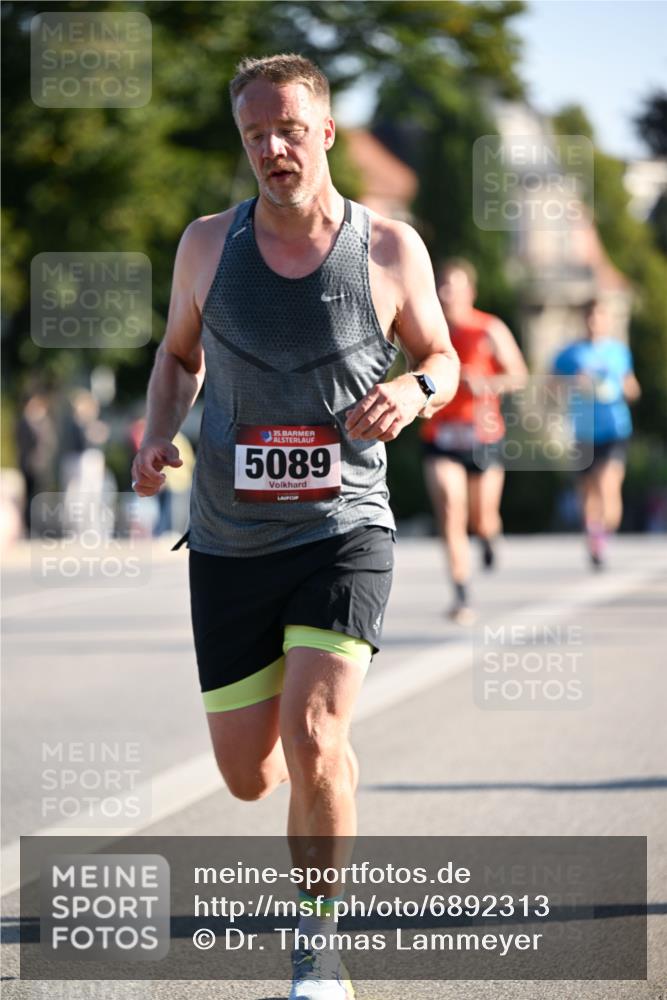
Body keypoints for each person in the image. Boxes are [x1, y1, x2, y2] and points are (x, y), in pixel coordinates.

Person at [131, 54, 459, 1000]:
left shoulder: (389, 248)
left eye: (288, 130)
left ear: (324, 132)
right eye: (255, 135)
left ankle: (318, 944)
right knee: (249, 775)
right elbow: (178, 358)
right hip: (229, 540)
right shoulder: (207, 245)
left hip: (343, 529)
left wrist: (415, 388)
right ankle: (314, 773)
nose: (273, 148)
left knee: (315, 734)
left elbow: (440, 357)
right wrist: (156, 433)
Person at [420, 258, 527, 624]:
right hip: (441, 435)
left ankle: (488, 537)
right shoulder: (429, 331)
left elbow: (519, 376)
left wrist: (486, 384)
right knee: (451, 509)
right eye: (442, 286)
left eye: (454, 286)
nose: (447, 293)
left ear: (471, 292)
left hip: (483, 435)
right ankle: (461, 592)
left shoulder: (489, 328)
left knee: (482, 518)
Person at [551, 298, 640, 569]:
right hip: (583, 431)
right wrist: (572, 383)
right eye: (589, 317)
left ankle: (603, 534)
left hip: (614, 429)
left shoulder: (618, 352)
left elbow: (632, 389)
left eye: (599, 317)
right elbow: (550, 387)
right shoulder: (569, 354)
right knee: (587, 493)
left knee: (607, 487)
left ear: (607, 320)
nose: (594, 322)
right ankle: (594, 541)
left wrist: (619, 389)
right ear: (583, 320)